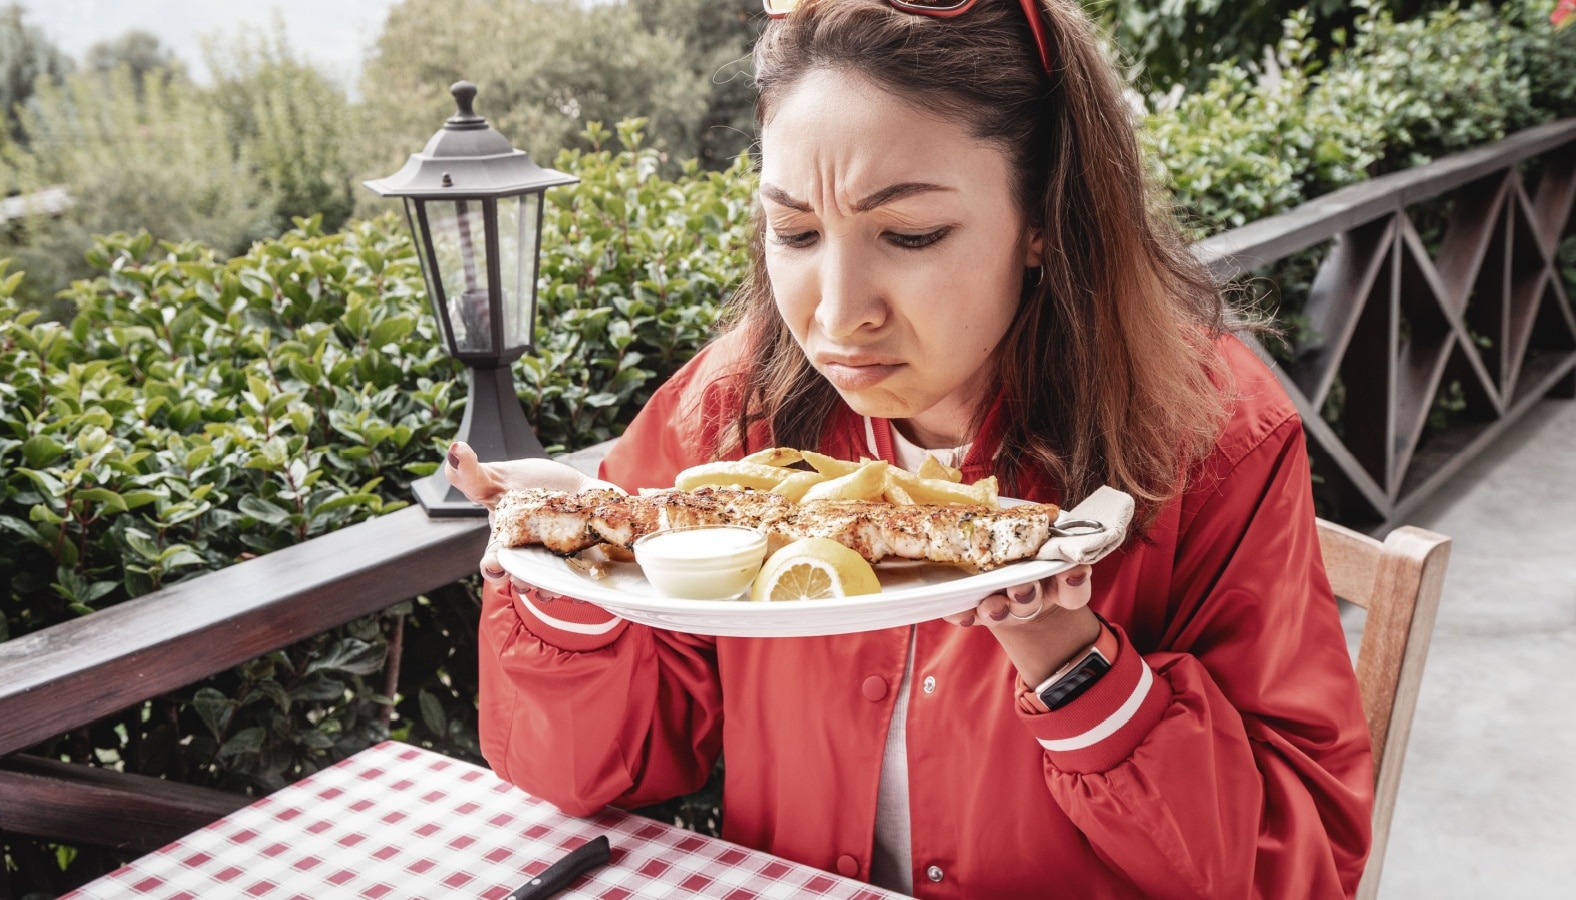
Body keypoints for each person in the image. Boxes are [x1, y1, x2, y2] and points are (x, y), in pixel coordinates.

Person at [445, 0, 1374, 895]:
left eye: (910, 233)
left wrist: (1072, 662)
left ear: (1045, 215)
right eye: (795, 232)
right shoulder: (731, 410)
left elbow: (1301, 868)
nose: (840, 313)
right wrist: (563, 562)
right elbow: (579, 772)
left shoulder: (1212, 439)